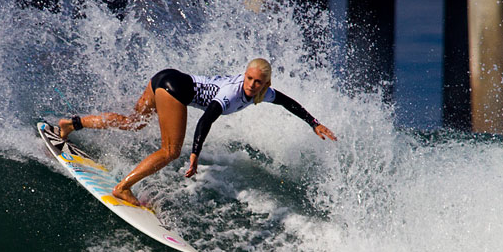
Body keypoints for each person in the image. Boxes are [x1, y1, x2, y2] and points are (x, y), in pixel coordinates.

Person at [58, 58, 337, 206]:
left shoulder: (264, 92)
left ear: (266, 83)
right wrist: (194, 156)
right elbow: (206, 120)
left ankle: (71, 124)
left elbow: (288, 102)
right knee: (170, 152)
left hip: (164, 76)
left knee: (136, 121)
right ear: (245, 75)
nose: (251, 85)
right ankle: (123, 188)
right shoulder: (232, 94)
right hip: (175, 90)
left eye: (258, 81)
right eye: (249, 78)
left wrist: (314, 123)